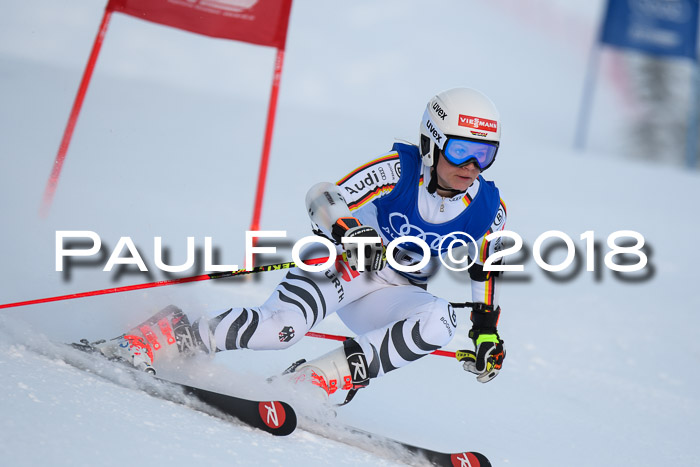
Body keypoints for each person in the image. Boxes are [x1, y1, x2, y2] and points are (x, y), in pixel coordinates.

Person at [86, 87, 508, 402]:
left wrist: (485, 330)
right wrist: (349, 233)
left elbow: (485, 267)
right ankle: (161, 336)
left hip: (393, 292)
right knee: (279, 329)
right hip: (345, 267)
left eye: (484, 155)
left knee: (440, 320)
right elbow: (323, 195)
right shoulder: (400, 169)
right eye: (461, 150)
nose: (471, 166)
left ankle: (310, 385)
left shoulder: (488, 206)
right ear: (432, 143)